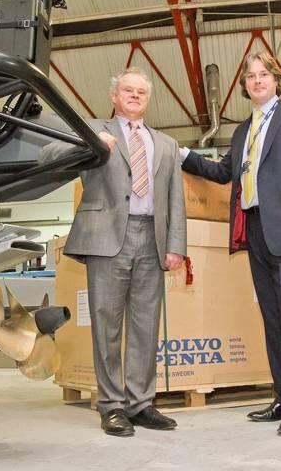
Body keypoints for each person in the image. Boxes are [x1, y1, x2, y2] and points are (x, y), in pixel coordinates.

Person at [180, 52, 281, 436]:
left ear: (277, 79)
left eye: (264, 75)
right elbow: (223, 172)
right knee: (274, 317)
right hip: (256, 229)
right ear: (243, 85)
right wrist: (182, 155)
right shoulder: (244, 130)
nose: (257, 80)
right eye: (250, 76)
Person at [40, 67, 186, 437]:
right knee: (106, 325)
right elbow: (48, 154)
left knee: (145, 325)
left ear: (148, 99)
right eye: (128, 90)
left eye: (141, 92)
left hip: (152, 239)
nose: (135, 96)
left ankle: (140, 403)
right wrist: (91, 143)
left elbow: (176, 202)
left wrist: (176, 248)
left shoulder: (166, 145)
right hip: (106, 240)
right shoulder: (94, 128)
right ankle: (111, 405)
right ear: (115, 97)